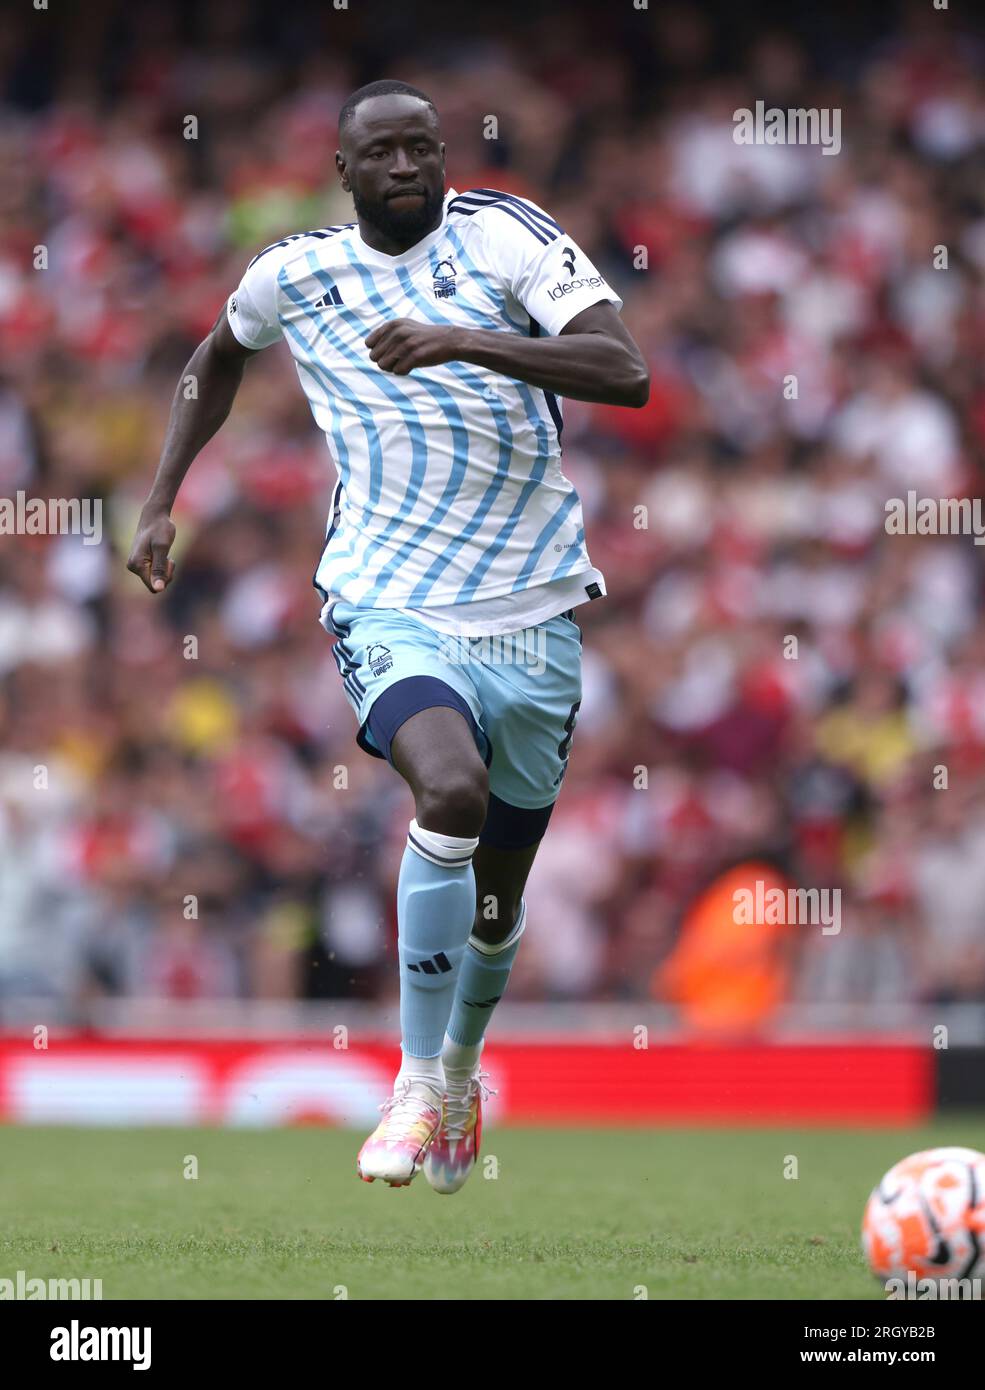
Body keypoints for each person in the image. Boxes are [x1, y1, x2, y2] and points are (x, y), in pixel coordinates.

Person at [128, 79, 649, 1192]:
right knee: (448, 791)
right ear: (344, 170)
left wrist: (469, 342)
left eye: (423, 147)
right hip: (387, 598)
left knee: (499, 908)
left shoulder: (505, 239)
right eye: (384, 152)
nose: (407, 166)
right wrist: (163, 493)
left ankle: (460, 1070)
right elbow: (216, 354)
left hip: (534, 610)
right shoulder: (296, 273)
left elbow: (625, 370)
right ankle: (413, 1080)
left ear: (443, 157)